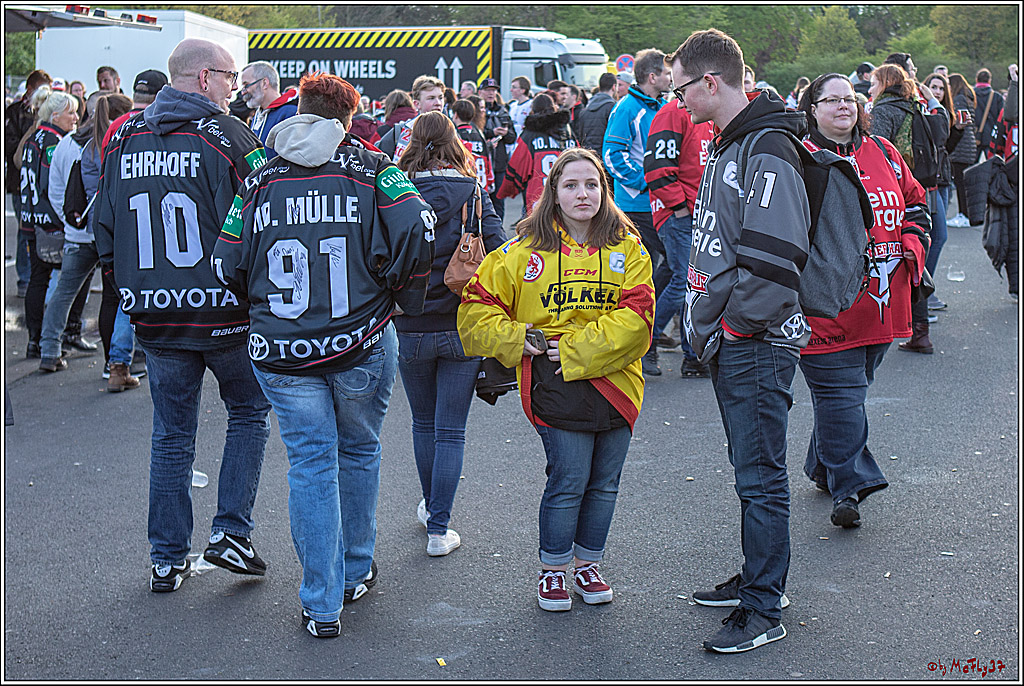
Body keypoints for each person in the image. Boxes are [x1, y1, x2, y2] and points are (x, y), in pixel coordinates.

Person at [212, 72, 435, 637]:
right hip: (359, 339)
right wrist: (394, 291)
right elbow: (418, 228)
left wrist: (258, 304)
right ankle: (355, 570)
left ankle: (321, 601)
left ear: (298, 110)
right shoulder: (371, 166)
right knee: (358, 450)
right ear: (344, 119)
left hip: (281, 348)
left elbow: (226, 259)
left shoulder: (259, 173)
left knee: (311, 465)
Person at [94, 37, 272, 593]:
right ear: (203, 78)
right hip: (224, 312)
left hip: (155, 312)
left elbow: (105, 224)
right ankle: (231, 534)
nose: (233, 86)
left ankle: (166, 558)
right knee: (248, 413)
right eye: (228, 76)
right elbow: (263, 216)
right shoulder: (227, 135)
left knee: (172, 434)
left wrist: (126, 287)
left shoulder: (123, 135)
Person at [458, 147, 654, 612]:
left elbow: (640, 319)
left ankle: (588, 565)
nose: (582, 193)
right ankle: (553, 571)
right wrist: (515, 337)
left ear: (605, 191)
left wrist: (569, 348)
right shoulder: (523, 250)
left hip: (619, 384)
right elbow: (473, 308)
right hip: (553, 385)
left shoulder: (628, 245)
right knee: (569, 477)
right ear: (554, 193)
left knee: (605, 481)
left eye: (592, 184)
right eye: (571, 185)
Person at [670, 28, 811, 653]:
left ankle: (763, 606)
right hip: (739, 338)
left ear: (711, 81)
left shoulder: (768, 144)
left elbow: (776, 258)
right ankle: (759, 580)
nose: (678, 103)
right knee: (750, 473)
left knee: (760, 478)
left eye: (682, 89)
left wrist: (731, 326)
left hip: (755, 340)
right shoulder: (737, 141)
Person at [795, 73, 930, 527]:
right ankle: (849, 486)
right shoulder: (799, 160)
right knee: (841, 394)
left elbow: (915, 202)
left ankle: (822, 464)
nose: (842, 106)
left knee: (848, 394)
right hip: (825, 307)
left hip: (884, 304)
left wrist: (913, 244)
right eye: (829, 99)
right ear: (811, 109)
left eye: (848, 98)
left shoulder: (885, 152)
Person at [395, 111, 506, 556]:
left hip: (408, 325)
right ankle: (440, 527)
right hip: (463, 324)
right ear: (454, 142)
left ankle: (430, 508)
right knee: (451, 431)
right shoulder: (472, 191)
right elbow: (499, 250)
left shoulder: (396, 191)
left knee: (423, 423)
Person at [36, 91, 116, 373]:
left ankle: (49, 349)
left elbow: (55, 189)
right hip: (109, 235)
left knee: (63, 292)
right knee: (115, 298)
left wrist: (72, 221)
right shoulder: (110, 144)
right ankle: (118, 360)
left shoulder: (67, 143)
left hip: (76, 232)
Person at [642, 75, 716, 377]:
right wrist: (680, 209)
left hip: (700, 214)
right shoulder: (673, 112)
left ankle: (692, 357)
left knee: (692, 283)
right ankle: (645, 343)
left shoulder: (709, 114)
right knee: (686, 281)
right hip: (679, 215)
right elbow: (657, 169)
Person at [868, 64, 944, 354]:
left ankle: (903, 325)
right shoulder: (915, 105)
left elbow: (877, 152)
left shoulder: (884, 110)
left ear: (885, 83)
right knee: (914, 257)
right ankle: (920, 331)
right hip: (921, 185)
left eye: (873, 83)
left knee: (895, 259)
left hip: (893, 191)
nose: (870, 89)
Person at [603, 49, 669, 375]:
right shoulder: (626, 108)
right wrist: (647, 182)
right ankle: (646, 345)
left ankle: (649, 336)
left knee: (668, 270)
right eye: (667, 73)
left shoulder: (665, 107)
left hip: (662, 203)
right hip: (637, 206)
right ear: (652, 76)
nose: (672, 78)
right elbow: (612, 156)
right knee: (651, 273)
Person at [19, 88, 93, 361]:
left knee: (38, 280)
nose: (76, 117)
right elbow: (54, 184)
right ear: (55, 114)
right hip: (50, 223)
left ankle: (35, 341)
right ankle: (55, 336)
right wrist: (63, 218)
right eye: (71, 112)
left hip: (31, 219)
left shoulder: (34, 136)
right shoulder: (53, 140)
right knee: (69, 280)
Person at [83, 93, 142, 389]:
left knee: (116, 296)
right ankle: (123, 360)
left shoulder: (113, 130)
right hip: (136, 223)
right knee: (130, 296)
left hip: (111, 221)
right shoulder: (145, 126)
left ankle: (116, 363)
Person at [922, 71, 972, 313]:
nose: (938, 91)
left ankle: (924, 289)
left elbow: (946, 148)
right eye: (934, 87)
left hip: (942, 180)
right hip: (930, 182)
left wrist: (959, 129)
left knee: (936, 236)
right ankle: (923, 290)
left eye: (942, 88)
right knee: (937, 236)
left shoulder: (945, 114)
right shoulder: (925, 112)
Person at [6, 69, 51, 299]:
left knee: (44, 230)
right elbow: (12, 151)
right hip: (20, 183)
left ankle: (42, 278)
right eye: (42, 90)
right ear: (31, 90)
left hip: (44, 185)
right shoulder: (15, 112)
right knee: (25, 231)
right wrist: (34, 128)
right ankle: (25, 278)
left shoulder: (52, 113)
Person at [497, 93, 576, 217]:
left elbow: (518, 165)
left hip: (538, 198)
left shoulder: (529, 135)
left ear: (533, 110)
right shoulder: (568, 132)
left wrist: (507, 190)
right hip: (569, 195)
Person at [239, 61, 298, 160]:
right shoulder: (258, 115)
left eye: (246, 85)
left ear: (264, 83)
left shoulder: (289, 113)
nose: (243, 92)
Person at [378, 75, 446, 160]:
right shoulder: (400, 131)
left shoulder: (450, 130)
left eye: (440, 98)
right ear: (417, 104)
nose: (438, 103)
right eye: (431, 98)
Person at [478, 78, 516, 221]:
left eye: (493, 90)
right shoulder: (476, 110)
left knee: (498, 201)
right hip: (481, 164)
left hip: (499, 164)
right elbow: (474, 132)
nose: (491, 93)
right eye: (488, 90)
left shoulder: (503, 111)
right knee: (481, 201)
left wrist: (505, 133)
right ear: (480, 92)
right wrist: (492, 132)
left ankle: (498, 231)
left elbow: (512, 137)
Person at [946, 73, 979, 228]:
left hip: (961, 146)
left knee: (960, 183)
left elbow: (959, 120)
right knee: (964, 183)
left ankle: (964, 215)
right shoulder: (968, 99)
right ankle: (967, 214)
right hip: (969, 144)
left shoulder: (958, 99)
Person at [452, 100, 494, 193]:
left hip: (467, 188)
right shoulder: (479, 134)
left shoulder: (456, 135)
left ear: (455, 115)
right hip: (483, 187)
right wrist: (490, 180)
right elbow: (487, 158)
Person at [576, 72, 617, 159]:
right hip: (606, 158)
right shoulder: (613, 108)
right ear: (614, 87)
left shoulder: (586, 108)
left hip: (589, 157)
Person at [974, 68, 1005, 161]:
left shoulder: (971, 95)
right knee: (992, 165)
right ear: (989, 81)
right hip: (991, 136)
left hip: (974, 135)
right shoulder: (997, 97)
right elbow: (1002, 117)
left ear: (976, 80)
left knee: (971, 167)